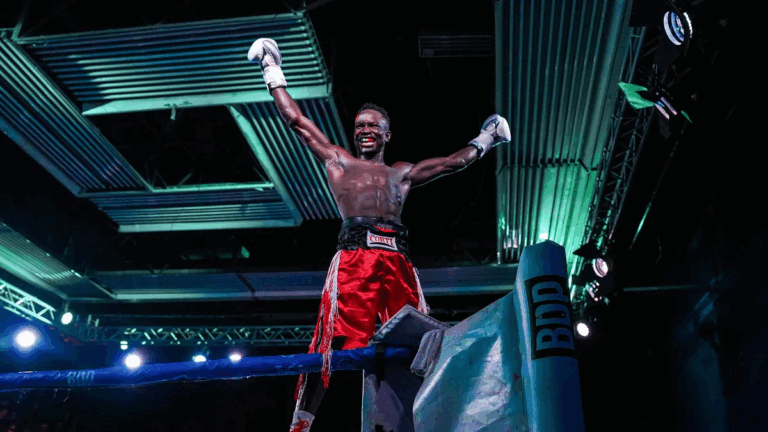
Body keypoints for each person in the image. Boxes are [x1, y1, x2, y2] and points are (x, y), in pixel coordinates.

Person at [248, 38, 510, 432]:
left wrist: (488, 136)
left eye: (374, 126)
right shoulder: (339, 160)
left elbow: (453, 164)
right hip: (355, 257)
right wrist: (272, 69)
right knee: (331, 342)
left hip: (398, 262)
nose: (365, 130)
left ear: (387, 134)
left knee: (416, 344)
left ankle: (422, 421)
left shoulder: (401, 172)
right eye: (360, 126)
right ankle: (301, 425)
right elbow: (298, 123)